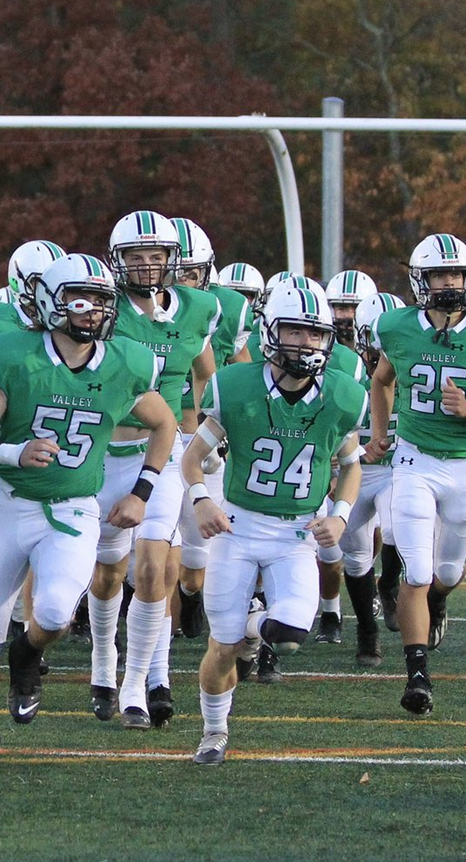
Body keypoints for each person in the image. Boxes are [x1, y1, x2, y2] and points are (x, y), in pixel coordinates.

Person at [0, 252, 175, 772]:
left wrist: (142, 490)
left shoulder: (126, 362)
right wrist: (13, 451)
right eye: (80, 297)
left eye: (100, 299)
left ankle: (27, 655)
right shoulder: (15, 356)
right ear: (50, 301)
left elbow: (164, 425)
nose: (91, 309)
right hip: (7, 501)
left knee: (52, 613)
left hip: (74, 505)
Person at [182, 283, 366, 765]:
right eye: (294, 329)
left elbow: (351, 464)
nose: (305, 342)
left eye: (314, 333)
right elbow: (193, 455)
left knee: (289, 634)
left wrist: (341, 516)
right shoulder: (236, 385)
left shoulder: (343, 395)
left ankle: (250, 625)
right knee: (222, 648)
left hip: (295, 535)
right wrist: (202, 498)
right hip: (236, 529)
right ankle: (213, 731)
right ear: (269, 331)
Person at [367, 234, 466, 715]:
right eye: (440, 275)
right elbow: (380, 380)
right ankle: (417, 674)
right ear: (421, 280)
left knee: (447, 573)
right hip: (414, 462)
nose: (450, 283)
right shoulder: (396, 327)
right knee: (415, 570)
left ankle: (438, 599)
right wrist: (380, 433)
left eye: (457, 274)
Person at [84, 213, 217, 730]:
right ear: (118, 262)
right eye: (135, 257)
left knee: (156, 566)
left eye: (155, 256)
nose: (146, 266)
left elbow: (204, 373)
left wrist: (199, 430)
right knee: (108, 570)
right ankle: (102, 662)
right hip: (100, 452)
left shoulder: (201, 308)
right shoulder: (103, 306)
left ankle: (140, 681)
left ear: (171, 259)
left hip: (159, 451)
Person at [311, 269, 378, 646]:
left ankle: (375, 595)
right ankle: (331, 609)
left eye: (352, 307)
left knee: (371, 538)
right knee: (330, 547)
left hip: (373, 458)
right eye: (337, 306)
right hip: (325, 458)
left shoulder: (371, 355)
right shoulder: (329, 352)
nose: (344, 315)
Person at [340, 291, 406, 667]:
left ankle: (391, 583)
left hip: (399, 468)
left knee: (398, 529)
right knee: (356, 556)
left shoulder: (415, 368)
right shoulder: (342, 368)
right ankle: (368, 629)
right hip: (355, 470)